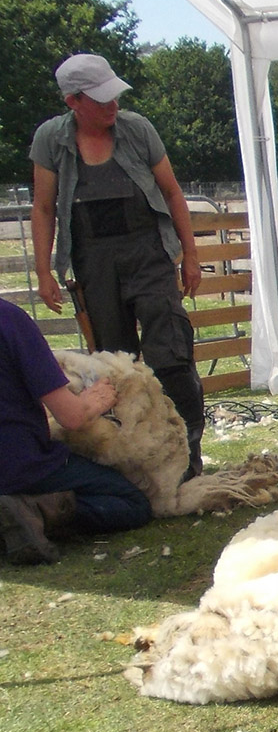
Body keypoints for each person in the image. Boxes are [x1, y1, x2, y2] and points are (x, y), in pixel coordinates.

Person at [30, 53, 207, 479]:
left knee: (171, 355)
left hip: (148, 252)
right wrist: (43, 272)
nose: (112, 105)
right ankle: (135, 466)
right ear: (74, 101)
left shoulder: (137, 129)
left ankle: (188, 459)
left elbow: (172, 193)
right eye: (101, 98)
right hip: (94, 258)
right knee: (112, 364)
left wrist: (191, 254)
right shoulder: (51, 140)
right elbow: (43, 207)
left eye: (114, 95)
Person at [0, 297, 152, 565]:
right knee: (132, 503)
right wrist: (93, 401)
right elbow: (71, 417)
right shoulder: (8, 319)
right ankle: (32, 511)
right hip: (18, 466)